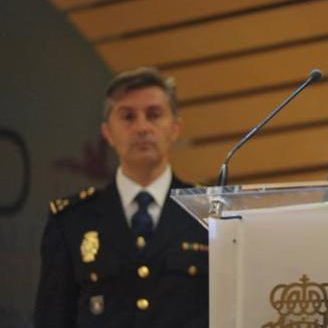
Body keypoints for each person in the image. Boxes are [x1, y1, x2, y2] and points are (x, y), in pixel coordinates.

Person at [34, 67, 208, 328]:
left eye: (154, 115)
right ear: (107, 133)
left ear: (175, 128)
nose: (141, 127)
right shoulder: (71, 221)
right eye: (128, 116)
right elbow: (52, 318)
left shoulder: (208, 213)